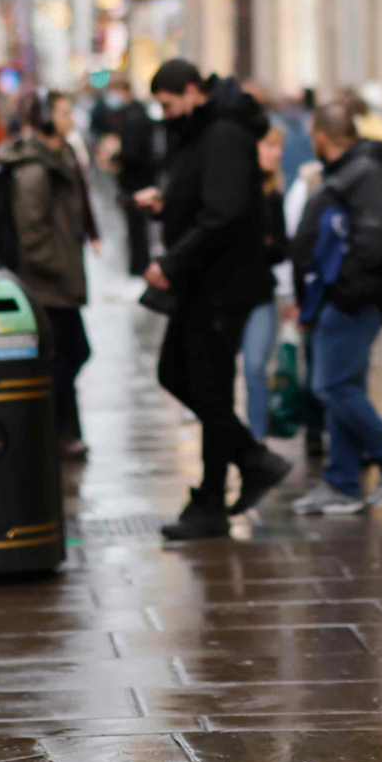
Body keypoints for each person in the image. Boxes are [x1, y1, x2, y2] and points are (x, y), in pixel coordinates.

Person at [143, 61, 295, 540]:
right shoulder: (205, 131)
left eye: (168, 104)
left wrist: (170, 263)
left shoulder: (224, 133)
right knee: (184, 377)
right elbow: (207, 196)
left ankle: (218, 494)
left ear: (191, 91)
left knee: (206, 388)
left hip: (221, 285)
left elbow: (225, 211)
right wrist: (168, 205)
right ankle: (246, 463)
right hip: (204, 282)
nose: (165, 114)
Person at [288, 102, 382, 516]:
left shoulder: (366, 173)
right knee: (342, 386)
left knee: (331, 386)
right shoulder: (352, 171)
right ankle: (342, 481)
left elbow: (376, 240)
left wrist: (346, 290)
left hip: (354, 300)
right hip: (345, 297)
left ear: (322, 137)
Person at [0, 92, 96, 457]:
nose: (71, 118)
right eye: (65, 111)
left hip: (64, 280)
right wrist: (61, 268)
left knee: (75, 353)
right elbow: (31, 235)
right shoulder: (35, 169)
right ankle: (60, 434)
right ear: (46, 118)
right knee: (62, 359)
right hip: (47, 285)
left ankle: (63, 431)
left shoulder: (63, 155)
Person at [238, 124, 292, 443]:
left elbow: (281, 246)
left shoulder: (274, 195)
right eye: (270, 146)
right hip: (229, 293)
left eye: (278, 147)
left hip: (261, 292)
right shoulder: (235, 190)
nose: (278, 153)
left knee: (256, 366)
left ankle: (256, 438)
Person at [107, 77, 161, 278]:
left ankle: (139, 267)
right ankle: (138, 266)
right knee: (137, 228)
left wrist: (114, 157)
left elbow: (132, 152)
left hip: (136, 181)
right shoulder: (134, 114)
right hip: (138, 179)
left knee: (137, 228)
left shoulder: (133, 117)